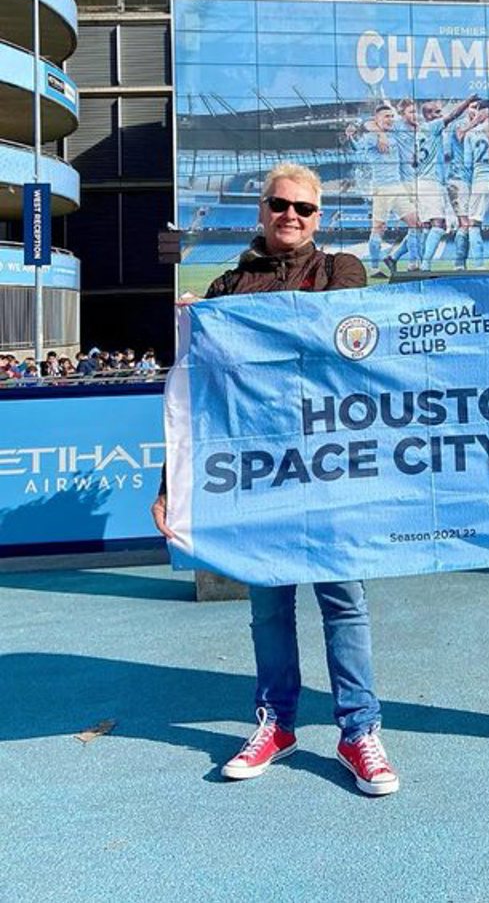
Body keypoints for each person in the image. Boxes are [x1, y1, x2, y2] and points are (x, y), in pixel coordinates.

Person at [151, 161, 400, 795]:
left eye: (304, 209)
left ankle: (359, 730)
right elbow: (195, 399)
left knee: (344, 601)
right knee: (269, 605)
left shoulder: (341, 271)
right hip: (259, 474)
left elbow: (329, 336)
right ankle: (277, 723)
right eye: (280, 205)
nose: (291, 215)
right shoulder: (226, 288)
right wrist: (170, 481)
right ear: (261, 212)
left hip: (331, 462)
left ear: (320, 218)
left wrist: (227, 323)